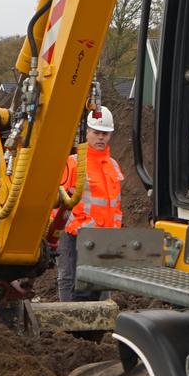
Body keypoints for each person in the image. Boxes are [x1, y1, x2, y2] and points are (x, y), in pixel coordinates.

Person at [55, 105, 124, 303]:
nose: (101, 138)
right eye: (97, 133)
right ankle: (69, 327)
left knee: (101, 283)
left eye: (105, 134)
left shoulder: (113, 165)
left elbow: (115, 205)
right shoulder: (74, 163)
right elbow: (57, 202)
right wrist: (66, 229)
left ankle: (98, 327)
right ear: (88, 132)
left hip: (104, 237)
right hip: (75, 235)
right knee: (71, 279)